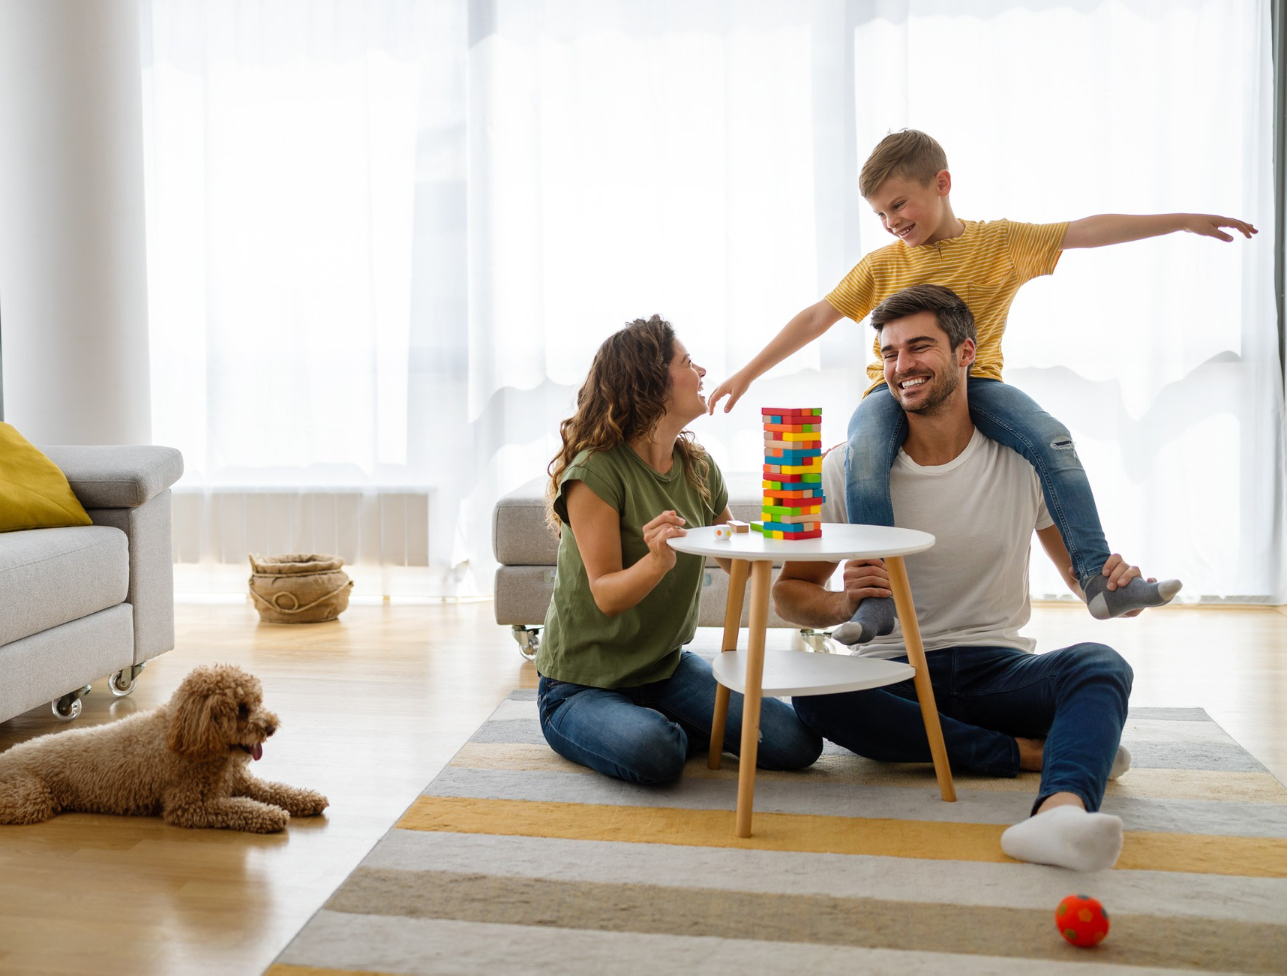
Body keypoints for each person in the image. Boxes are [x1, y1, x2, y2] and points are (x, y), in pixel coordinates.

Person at [711, 129, 1254, 646]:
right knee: (866, 451)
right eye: (879, 213)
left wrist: (1183, 220)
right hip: (889, 392)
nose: (891, 222)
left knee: (1051, 437)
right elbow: (815, 317)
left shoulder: (1002, 243)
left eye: (899, 205)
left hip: (978, 383)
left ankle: (1096, 580)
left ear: (941, 184)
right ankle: (878, 600)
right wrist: (747, 373)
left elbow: (1085, 230)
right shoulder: (881, 266)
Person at [773, 284, 1144, 872]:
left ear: (967, 352)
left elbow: (1078, 575)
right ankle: (1024, 753)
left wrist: (1114, 587)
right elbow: (789, 594)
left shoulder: (1022, 460)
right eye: (890, 353)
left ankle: (1062, 813)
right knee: (818, 702)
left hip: (995, 669)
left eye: (919, 347)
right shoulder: (845, 467)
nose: (902, 367)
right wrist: (845, 603)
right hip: (891, 673)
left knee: (1101, 666)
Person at [535, 315, 822, 785]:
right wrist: (656, 562)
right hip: (582, 686)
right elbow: (606, 593)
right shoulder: (596, 472)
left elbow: (740, 564)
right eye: (688, 362)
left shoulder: (699, 467)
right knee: (657, 751)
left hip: (665, 671)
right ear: (649, 384)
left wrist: (786, 528)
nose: (703, 372)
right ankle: (648, 731)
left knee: (796, 742)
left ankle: (671, 725)